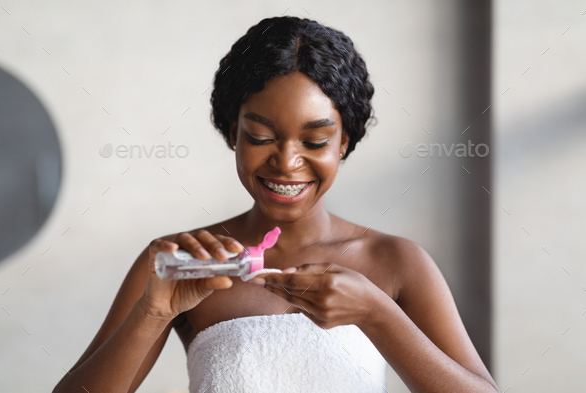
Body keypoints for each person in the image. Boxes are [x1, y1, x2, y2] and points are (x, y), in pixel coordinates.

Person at [53, 16, 500, 393]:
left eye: (315, 140)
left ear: (344, 142)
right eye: (260, 137)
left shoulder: (396, 262)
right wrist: (153, 313)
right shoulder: (178, 261)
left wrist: (377, 315)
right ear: (232, 133)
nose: (286, 162)